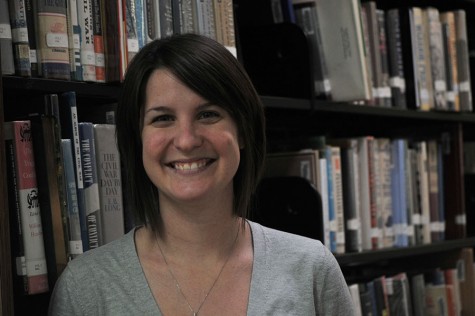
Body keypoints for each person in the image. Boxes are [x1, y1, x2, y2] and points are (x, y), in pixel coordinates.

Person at [48, 33, 355, 315]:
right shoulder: (85, 288)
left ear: (244, 130)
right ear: (136, 139)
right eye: (163, 118)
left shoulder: (311, 269)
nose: (186, 140)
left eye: (208, 115)